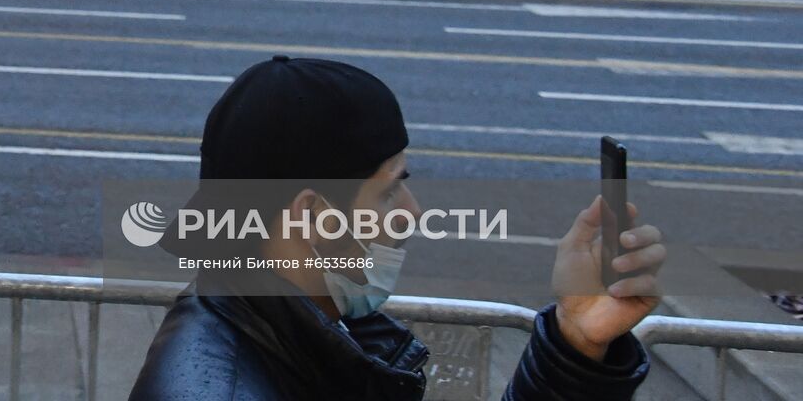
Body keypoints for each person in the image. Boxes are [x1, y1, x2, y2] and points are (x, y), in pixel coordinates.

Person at [130, 57, 664, 401]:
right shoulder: (226, 382)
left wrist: (575, 344)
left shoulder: (296, 332)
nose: (410, 210)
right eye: (388, 189)